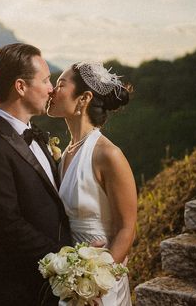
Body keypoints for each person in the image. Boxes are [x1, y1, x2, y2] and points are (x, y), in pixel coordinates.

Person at [0, 43, 73, 306]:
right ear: (21, 87)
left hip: (46, 287)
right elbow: (9, 227)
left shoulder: (35, 133)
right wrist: (70, 260)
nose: (52, 88)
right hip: (13, 291)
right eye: (46, 80)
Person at [46, 62, 137, 306]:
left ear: (84, 98)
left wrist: (97, 280)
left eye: (60, 85)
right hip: (69, 277)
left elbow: (127, 229)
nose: (51, 91)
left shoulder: (108, 155)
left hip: (99, 285)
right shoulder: (65, 154)